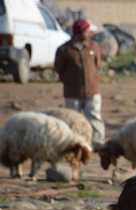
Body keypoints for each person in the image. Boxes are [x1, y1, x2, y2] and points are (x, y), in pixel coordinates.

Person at [54, 19, 104, 148]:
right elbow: (59, 69)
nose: (89, 33)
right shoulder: (64, 50)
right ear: (79, 32)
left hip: (92, 91)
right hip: (72, 93)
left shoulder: (94, 47)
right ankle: (74, 144)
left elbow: (97, 65)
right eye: (87, 31)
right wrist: (69, 81)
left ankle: (97, 143)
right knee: (73, 119)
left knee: (94, 117)